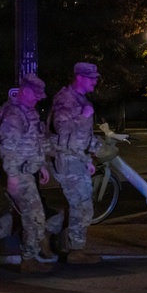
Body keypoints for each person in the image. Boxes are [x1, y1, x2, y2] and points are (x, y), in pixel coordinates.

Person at [0, 74, 59, 274]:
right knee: (35, 215)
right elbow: (7, 148)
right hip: (17, 172)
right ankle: (29, 260)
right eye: (36, 95)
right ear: (25, 92)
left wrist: (41, 165)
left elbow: (35, 141)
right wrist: (12, 176)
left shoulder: (27, 112)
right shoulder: (13, 114)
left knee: (21, 214)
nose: (39, 99)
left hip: (25, 170)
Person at [49, 62, 104, 264]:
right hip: (67, 159)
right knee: (81, 206)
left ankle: (44, 233)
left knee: (78, 206)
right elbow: (61, 128)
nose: (95, 81)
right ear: (79, 78)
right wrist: (84, 116)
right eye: (91, 78)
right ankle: (75, 251)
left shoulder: (81, 100)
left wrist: (88, 159)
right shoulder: (66, 99)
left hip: (77, 159)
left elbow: (81, 136)